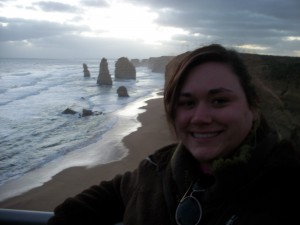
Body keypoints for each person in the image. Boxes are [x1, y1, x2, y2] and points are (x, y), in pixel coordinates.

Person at [47, 44, 300, 225]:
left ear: (252, 105)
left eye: (219, 100)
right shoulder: (156, 170)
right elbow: (110, 194)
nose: (200, 117)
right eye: (187, 102)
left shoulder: (286, 188)